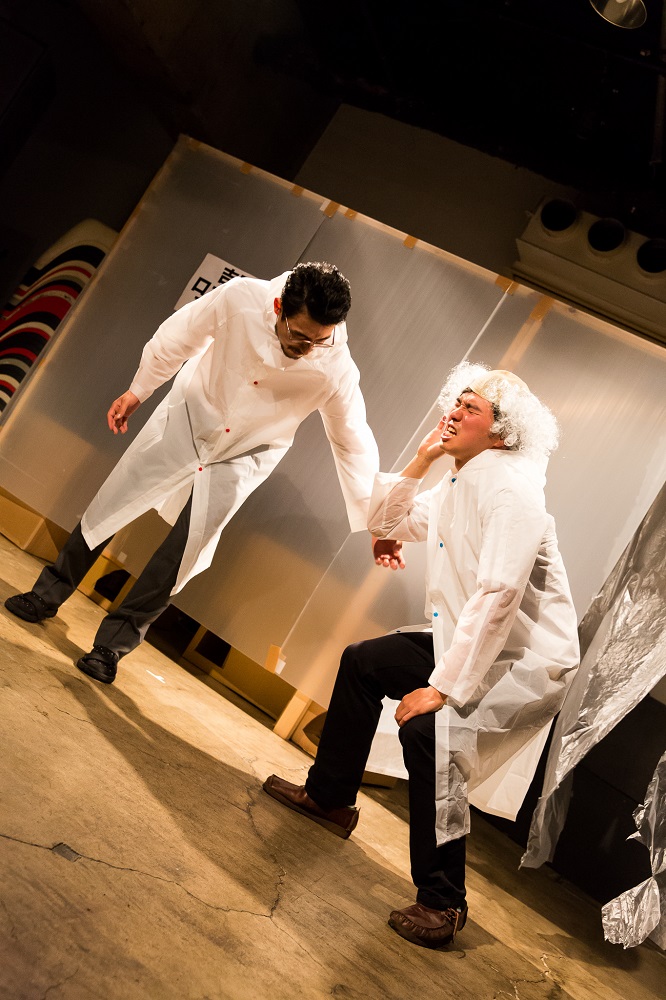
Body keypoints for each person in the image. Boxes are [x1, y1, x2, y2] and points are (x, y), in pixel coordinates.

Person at [263, 362, 579, 949]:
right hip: (470, 640)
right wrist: (421, 460)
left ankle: (443, 901)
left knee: (432, 737)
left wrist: (444, 688)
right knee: (364, 662)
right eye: (456, 401)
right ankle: (330, 799)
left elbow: (500, 594)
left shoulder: (512, 490)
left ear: (502, 433)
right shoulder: (461, 478)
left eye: (471, 409)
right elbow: (383, 521)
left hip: (525, 664)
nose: (453, 413)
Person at [5, 262, 380, 684]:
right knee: (114, 503)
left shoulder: (337, 366)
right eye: (299, 335)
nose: (307, 347)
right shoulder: (240, 298)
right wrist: (139, 389)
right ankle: (47, 594)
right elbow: (180, 335)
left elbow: (352, 439)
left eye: (319, 340)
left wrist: (378, 520)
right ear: (279, 307)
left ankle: (112, 646)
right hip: (189, 417)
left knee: (184, 550)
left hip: (247, 452)